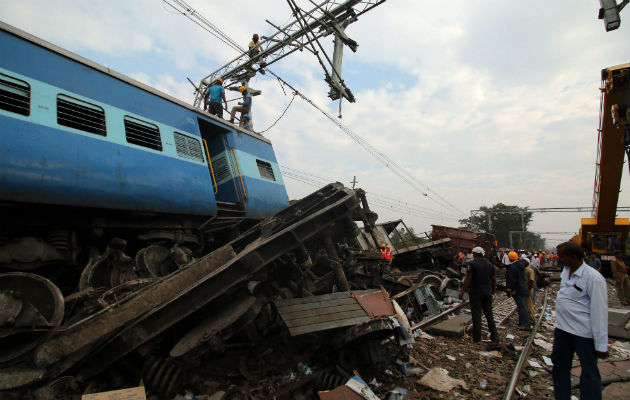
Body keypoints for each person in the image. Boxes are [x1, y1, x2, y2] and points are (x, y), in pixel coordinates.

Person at [552, 241, 608, 400]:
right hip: (562, 330)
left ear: (574, 257)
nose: (558, 259)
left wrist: (601, 344)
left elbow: (599, 311)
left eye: (561, 256)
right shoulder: (566, 271)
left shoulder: (593, 278)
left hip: (583, 333)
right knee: (559, 367)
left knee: (589, 371)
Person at [459, 246, 499, 343]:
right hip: (487, 293)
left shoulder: (472, 264)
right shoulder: (490, 265)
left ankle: (477, 338)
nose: (472, 255)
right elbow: (493, 280)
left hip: (476, 292)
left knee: (476, 315)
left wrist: (463, 290)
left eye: (473, 253)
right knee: (489, 315)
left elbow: (468, 278)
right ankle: (495, 337)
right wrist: (493, 291)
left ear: (476, 254)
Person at [505, 251, 531, 330]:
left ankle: (526, 324)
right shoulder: (520, 265)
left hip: (518, 289)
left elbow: (512, 280)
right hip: (523, 287)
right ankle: (522, 323)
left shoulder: (512, 267)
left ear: (509, 258)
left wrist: (509, 289)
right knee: (521, 306)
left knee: (522, 307)